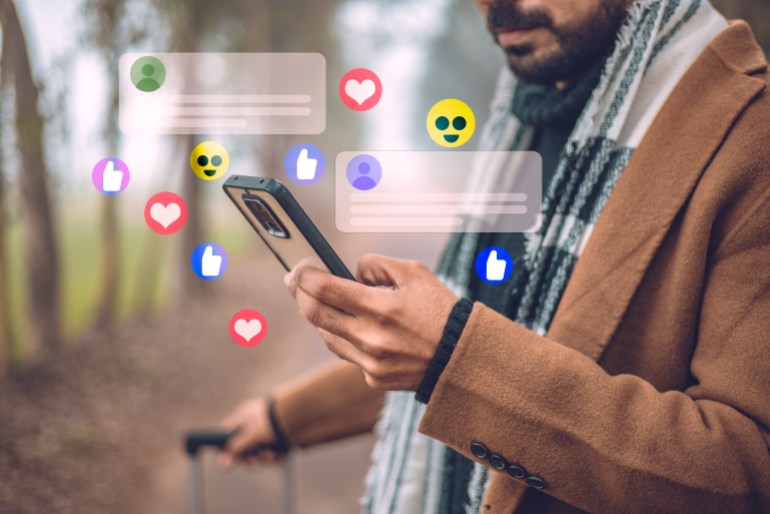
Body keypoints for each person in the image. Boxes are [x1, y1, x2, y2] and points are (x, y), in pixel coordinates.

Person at [219, 0, 770, 512]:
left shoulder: (749, 132)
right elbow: (471, 341)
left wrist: (455, 359)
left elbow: (749, 466)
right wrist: (283, 417)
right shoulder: (521, 114)